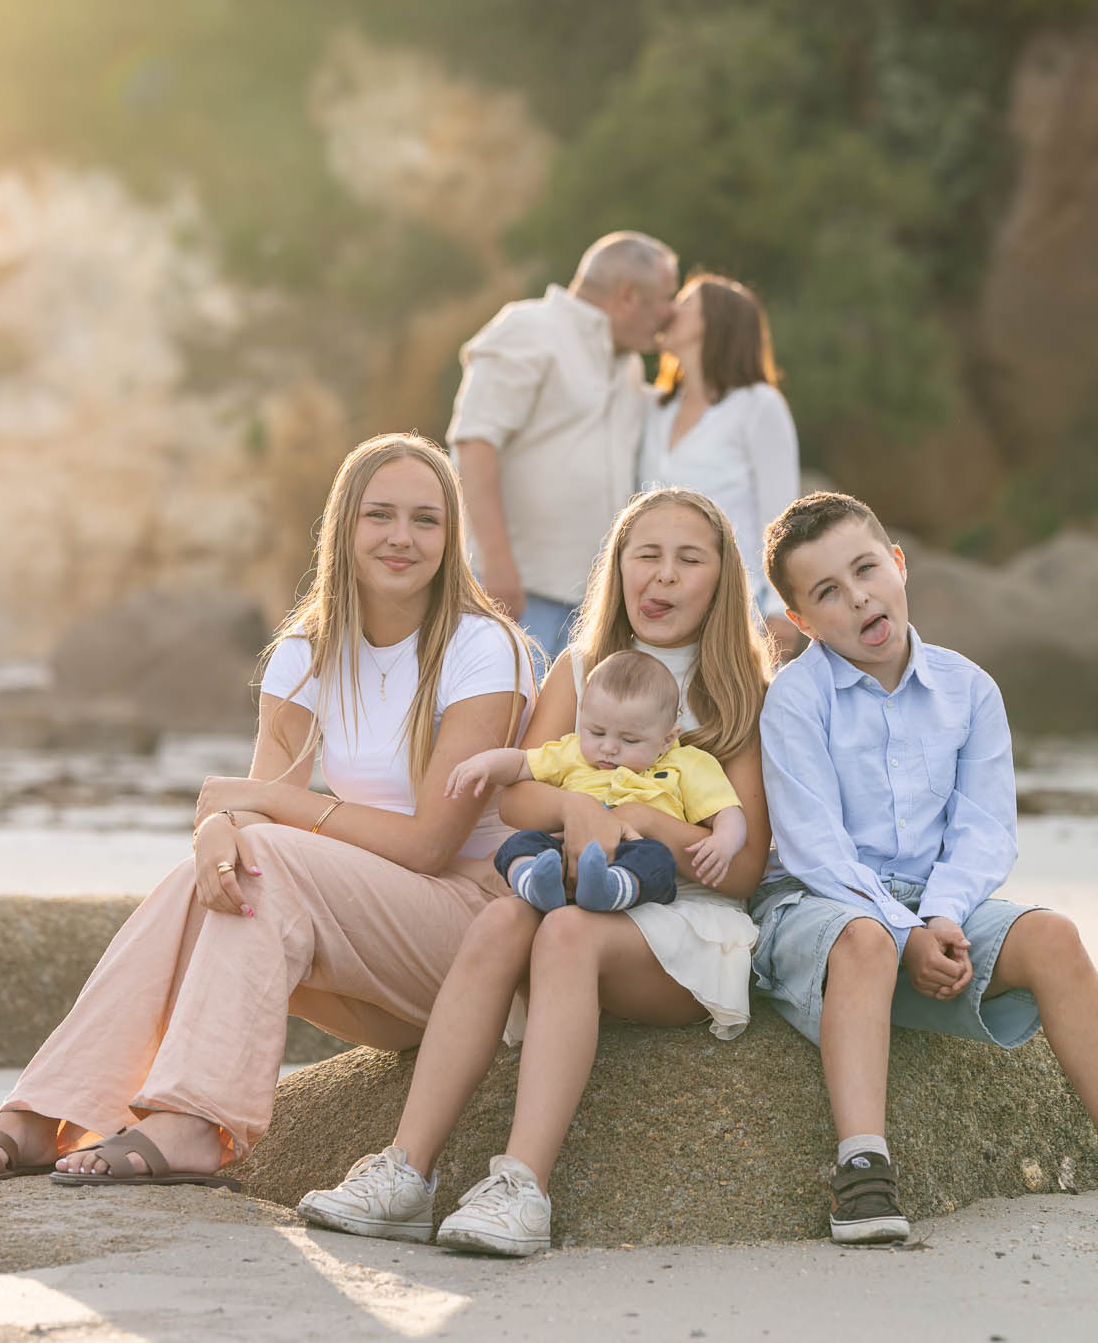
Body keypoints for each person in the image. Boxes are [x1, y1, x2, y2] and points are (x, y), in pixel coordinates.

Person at [0, 433, 534, 1191]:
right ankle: (48, 1111)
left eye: (427, 520)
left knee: (267, 858)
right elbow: (250, 824)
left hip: (466, 946)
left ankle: (191, 1120)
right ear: (344, 529)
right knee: (221, 873)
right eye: (380, 515)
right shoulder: (306, 654)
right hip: (362, 962)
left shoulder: (484, 649)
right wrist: (219, 828)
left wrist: (265, 807)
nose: (402, 539)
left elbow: (427, 845)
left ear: (452, 540)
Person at [296, 488, 773, 1255]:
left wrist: (645, 824)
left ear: (722, 580)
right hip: (573, 883)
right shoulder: (581, 670)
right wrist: (579, 813)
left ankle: (523, 1186)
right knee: (501, 918)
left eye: (689, 560)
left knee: (566, 936)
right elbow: (518, 796)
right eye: (645, 556)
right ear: (618, 569)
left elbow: (744, 868)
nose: (663, 578)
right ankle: (405, 1172)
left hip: (681, 925)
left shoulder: (738, 694)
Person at [752, 491, 1098, 1244]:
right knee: (868, 939)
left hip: (935, 904)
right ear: (802, 620)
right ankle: (862, 1167)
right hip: (823, 909)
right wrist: (905, 933)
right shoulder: (796, 701)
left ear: (898, 565)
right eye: (828, 593)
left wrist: (939, 917)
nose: (858, 597)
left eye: (867, 569)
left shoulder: (967, 688)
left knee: (1053, 935)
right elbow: (815, 850)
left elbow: (985, 830)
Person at [446, 231, 679, 663]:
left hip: (595, 606)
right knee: (508, 727)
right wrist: (497, 565)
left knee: (569, 733)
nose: (672, 314)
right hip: (516, 592)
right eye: (667, 297)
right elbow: (474, 444)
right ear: (628, 295)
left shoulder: (627, 365)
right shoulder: (529, 328)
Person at [448, 649, 747, 913]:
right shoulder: (573, 751)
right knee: (520, 843)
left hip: (635, 851)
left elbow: (727, 811)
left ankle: (611, 888)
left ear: (668, 739)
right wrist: (485, 763)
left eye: (629, 740)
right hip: (567, 847)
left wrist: (724, 841)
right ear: (583, 718)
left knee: (659, 862)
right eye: (597, 732)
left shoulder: (687, 764)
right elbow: (521, 764)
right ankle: (535, 882)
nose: (609, 748)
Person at [637, 272, 801, 657]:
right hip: (658, 601)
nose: (671, 310)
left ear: (714, 322)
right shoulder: (655, 408)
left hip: (738, 605)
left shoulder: (758, 405)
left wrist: (781, 608)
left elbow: (782, 513)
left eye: (686, 301)